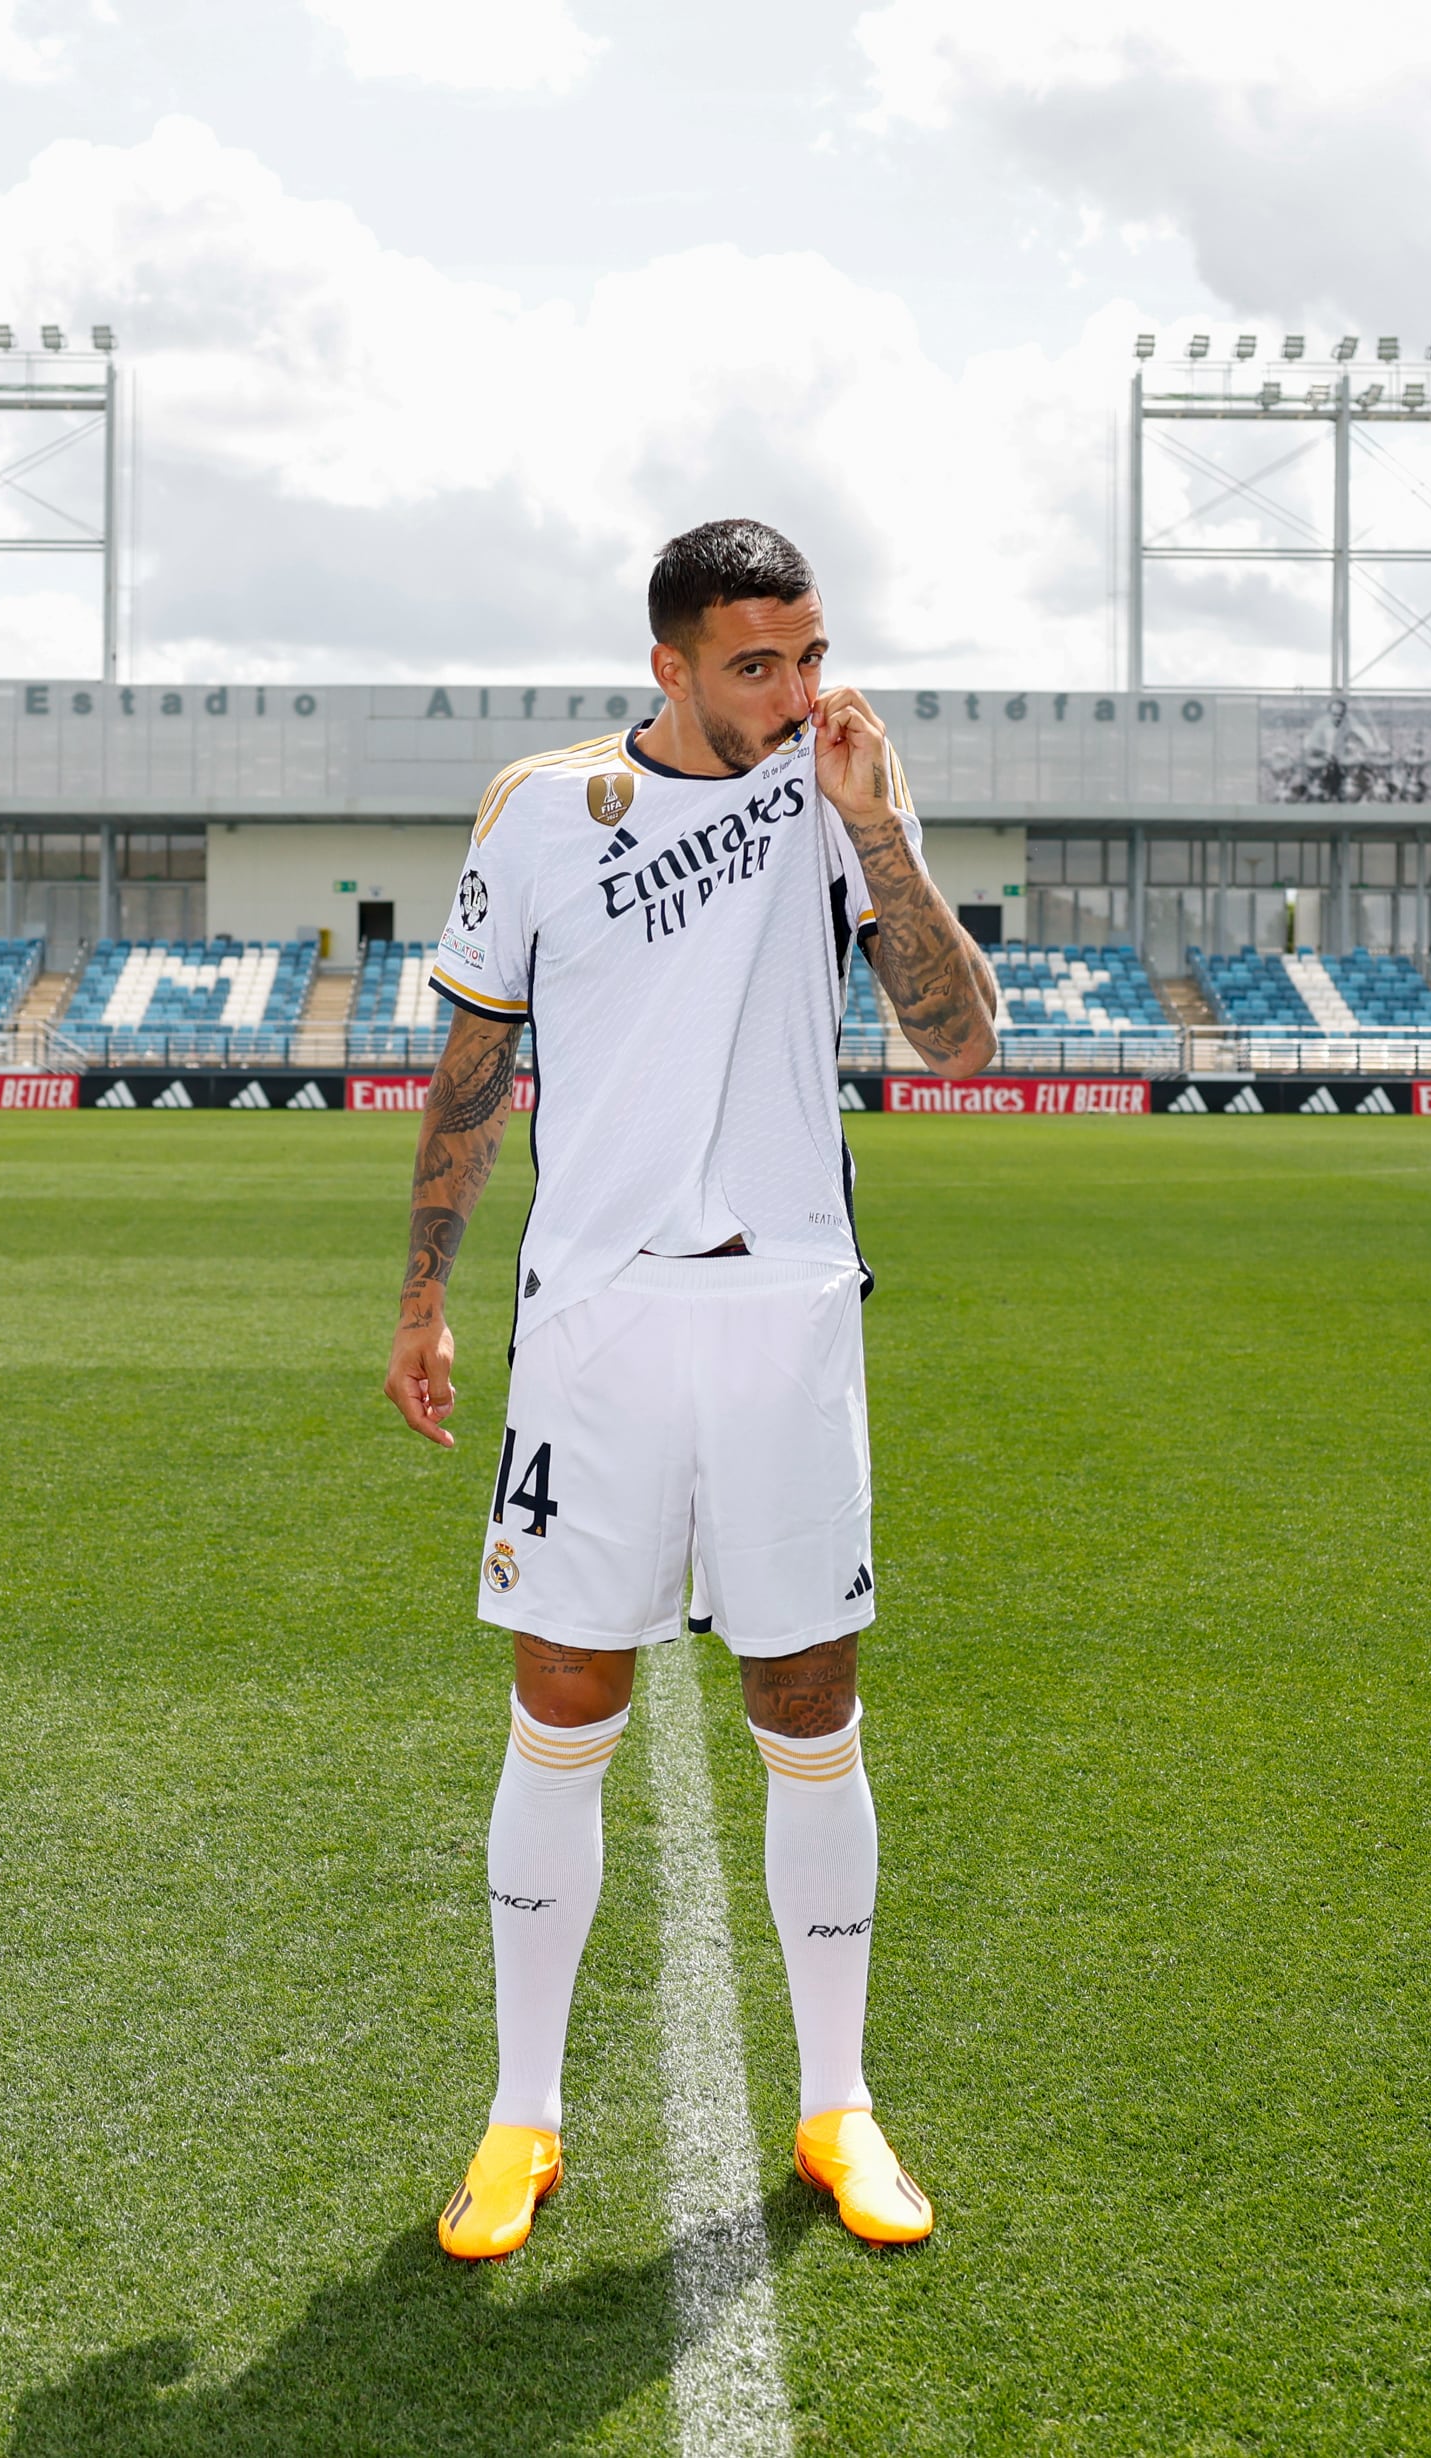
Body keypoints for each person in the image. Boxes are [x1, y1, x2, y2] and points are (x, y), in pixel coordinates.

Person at [380, 517, 999, 2260]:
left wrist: (876, 820)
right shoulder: (540, 815)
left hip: (789, 1308)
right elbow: (471, 1070)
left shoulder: (842, 794)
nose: (796, 692)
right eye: (755, 665)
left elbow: (961, 1043)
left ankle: (838, 2102)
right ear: (668, 665)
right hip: (594, 1324)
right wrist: (426, 1295)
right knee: (563, 1696)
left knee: (810, 1696)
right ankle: (520, 2118)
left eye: (809, 655)